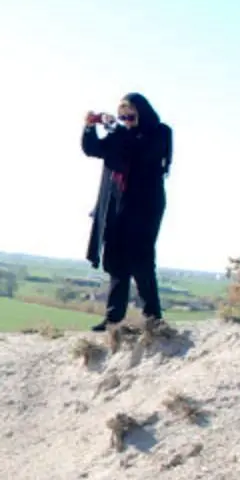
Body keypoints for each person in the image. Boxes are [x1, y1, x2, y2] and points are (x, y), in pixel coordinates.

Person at [81, 92, 172, 332]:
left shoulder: (160, 132)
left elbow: (142, 152)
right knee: (116, 261)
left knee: (141, 259)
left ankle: (152, 317)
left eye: (130, 116)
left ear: (142, 112)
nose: (126, 121)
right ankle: (114, 319)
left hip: (145, 205)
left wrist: (117, 130)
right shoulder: (120, 136)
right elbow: (93, 149)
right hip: (117, 205)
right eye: (122, 117)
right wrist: (90, 127)